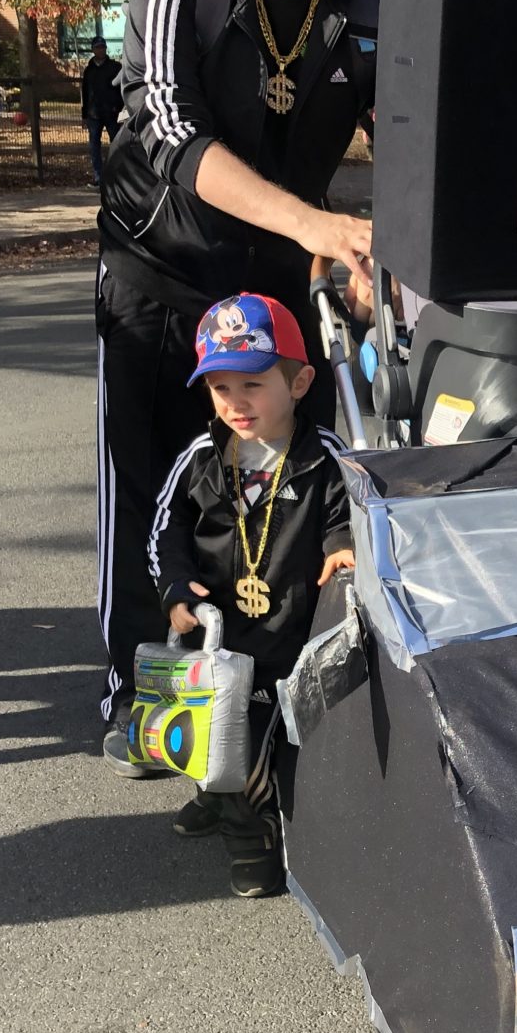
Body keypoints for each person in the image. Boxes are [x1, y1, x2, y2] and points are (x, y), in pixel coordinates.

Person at [96, 0, 377, 764]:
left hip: (272, 298)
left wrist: (385, 254)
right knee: (155, 495)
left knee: (278, 497)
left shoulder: (366, 10)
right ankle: (149, 708)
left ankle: (267, 706)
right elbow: (175, 134)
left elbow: (423, 144)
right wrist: (319, 224)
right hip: (161, 279)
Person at [146, 292, 354, 894]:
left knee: (260, 740)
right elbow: (167, 528)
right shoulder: (203, 459)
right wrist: (173, 586)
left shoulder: (323, 458)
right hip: (217, 630)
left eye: (252, 384)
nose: (236, 403)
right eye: (220, 389)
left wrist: (342, 544)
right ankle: (220, 798)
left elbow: (348, 511)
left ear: (299, 381)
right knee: (209, 726)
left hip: (289, 633)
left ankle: (252, 836)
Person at [79, 35, 122, 187]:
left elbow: (120, 89)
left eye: (102, 47)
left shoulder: (115, 67)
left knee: (116, 145)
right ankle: (98, 177)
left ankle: (117, 177)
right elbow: (85, 92)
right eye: (97, 47)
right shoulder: (89, 70)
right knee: (94, 147)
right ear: (93, 50)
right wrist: (84, 114)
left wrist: (120, 107)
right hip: (93, 114)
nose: (100, 50)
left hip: (111, 113)